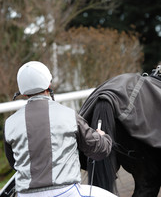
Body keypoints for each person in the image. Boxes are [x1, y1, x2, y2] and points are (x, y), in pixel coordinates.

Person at [3, 61, 112, 197]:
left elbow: (14, 163)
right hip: (66, 192)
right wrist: (102, 137)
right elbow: (98, 150)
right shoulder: (69, 115)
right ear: (48, 85)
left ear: (23, 92)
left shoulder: (9, 123)